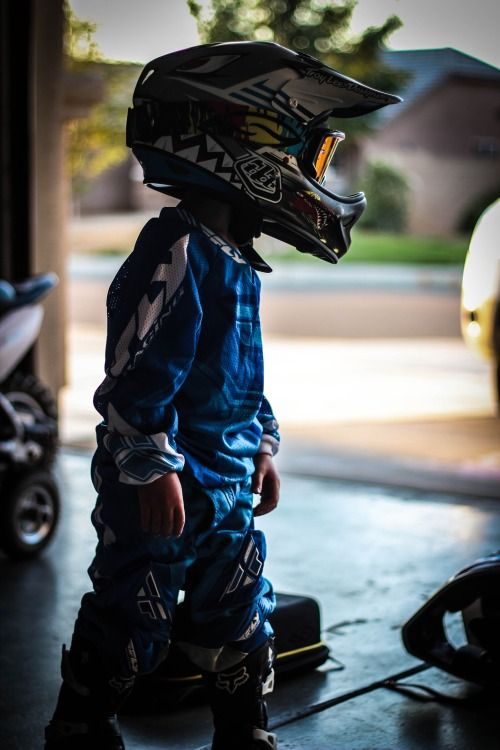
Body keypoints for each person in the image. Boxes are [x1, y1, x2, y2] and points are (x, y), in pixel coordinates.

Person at [45, 41, 400, 750]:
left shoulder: (235, 259)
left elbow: (241, 376)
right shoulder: (177, 249)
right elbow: (135, 369)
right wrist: (151, 461)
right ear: (235, 143)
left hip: (227, 481)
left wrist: (263, 443)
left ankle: (243, 731)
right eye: (307, 156)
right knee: (133, 615)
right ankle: (80, 725)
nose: (313, 176)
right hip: (163, 484)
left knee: (239, 608)